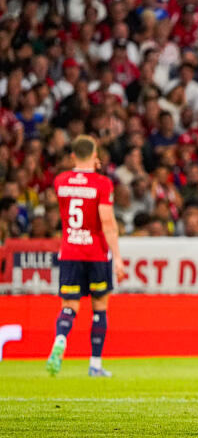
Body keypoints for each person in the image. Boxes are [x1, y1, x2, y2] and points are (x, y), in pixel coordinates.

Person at [46, 135, 127, 377]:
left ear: (72, 156)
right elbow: (108, 223)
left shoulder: (60, 181)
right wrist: (119, 257)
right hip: (97, 254)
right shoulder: (102, 184)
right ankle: (95, 364)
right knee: (99, 308)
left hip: (70, 251)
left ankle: (61, 338)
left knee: (69, 306)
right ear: (95, 156)